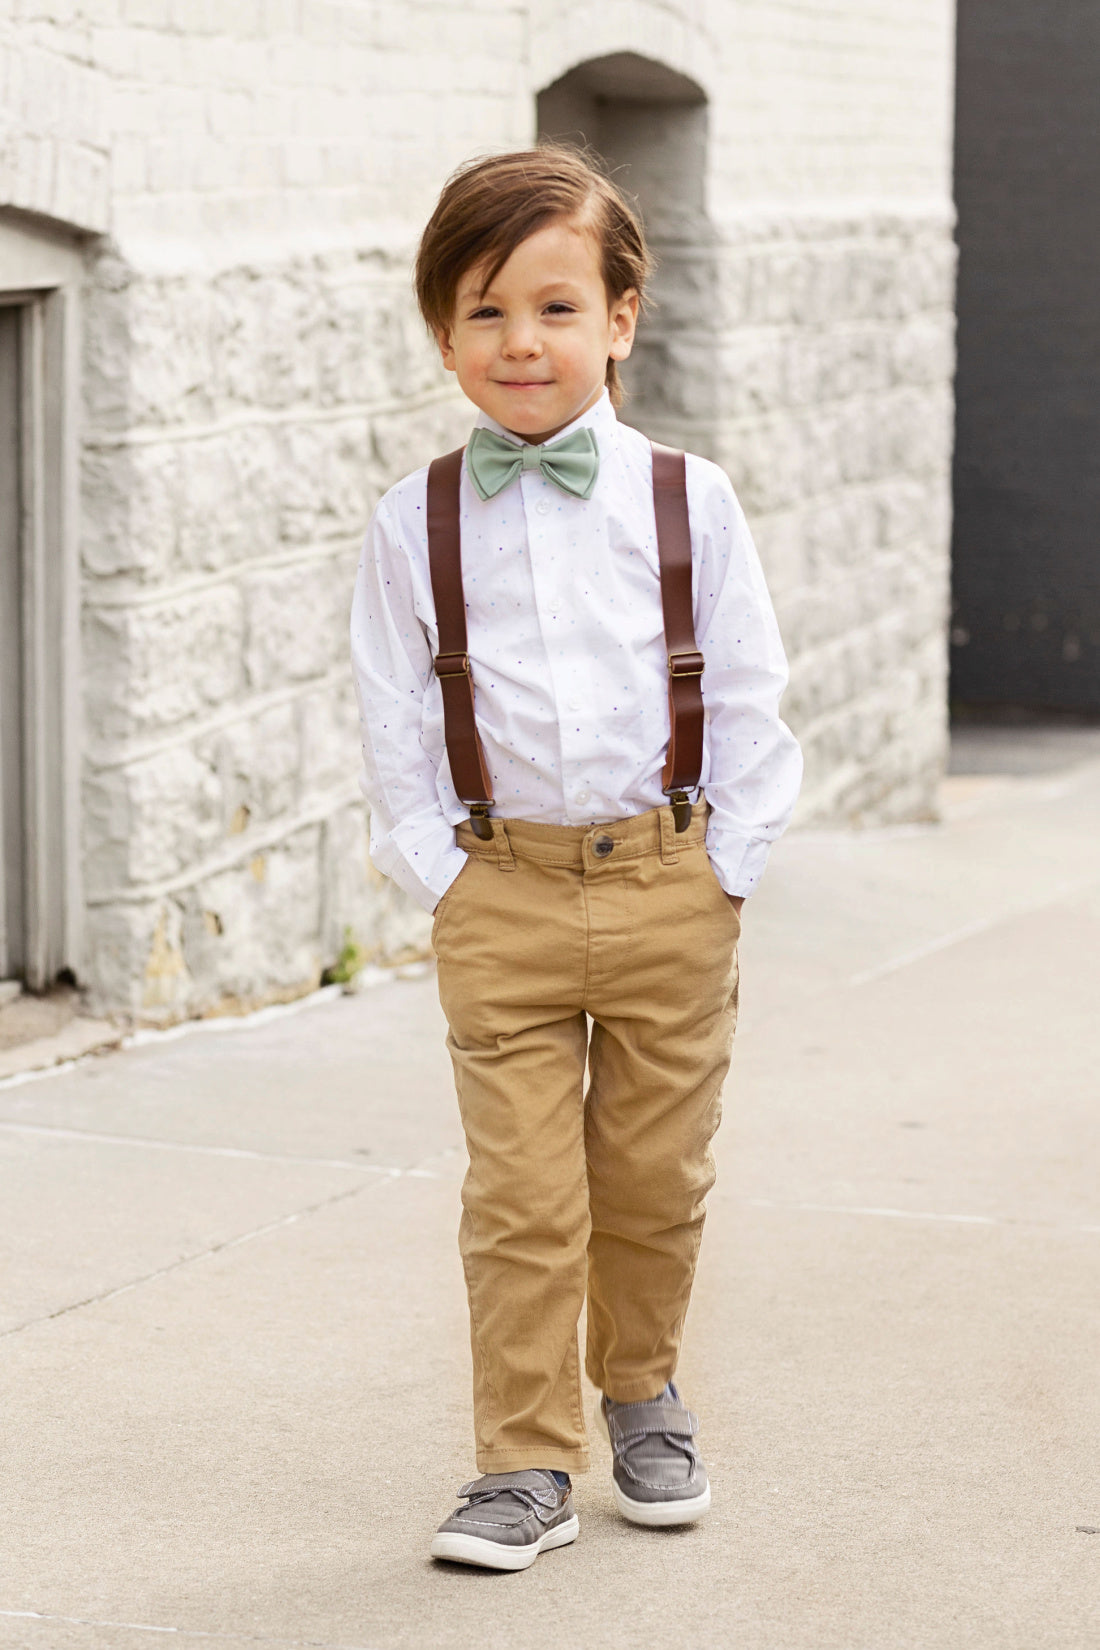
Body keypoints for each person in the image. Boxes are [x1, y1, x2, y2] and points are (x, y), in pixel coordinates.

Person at [350, 145, 802, 1571]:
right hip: (506, 893)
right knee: (525, 1197)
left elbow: (747, 693)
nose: (519, 342)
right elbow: (393, 718)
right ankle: (523, 1460)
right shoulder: (412, 522)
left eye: (553, 307)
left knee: (656, 1175)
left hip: (673, 883)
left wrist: (728, 865)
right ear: (444, 337)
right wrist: (446, 875)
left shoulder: (689, 498)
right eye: (483, 312)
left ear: (620, 318)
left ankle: (643, 1390)